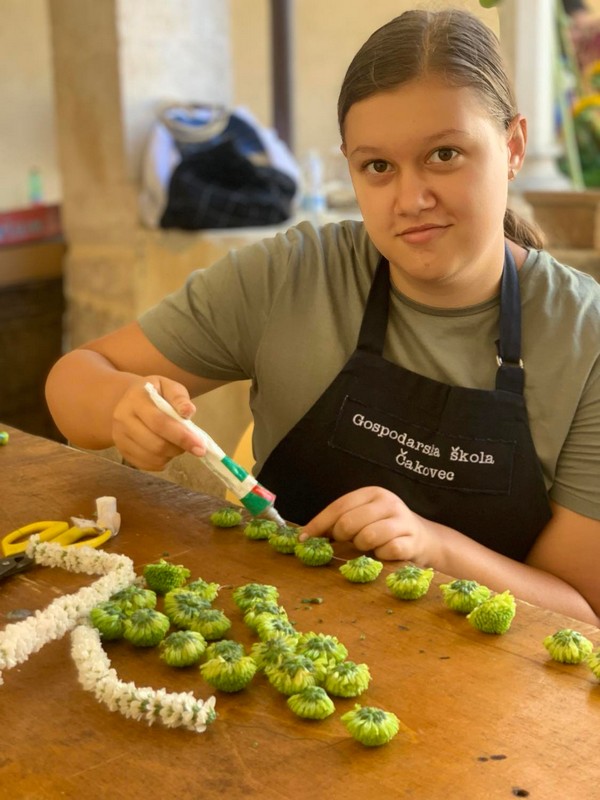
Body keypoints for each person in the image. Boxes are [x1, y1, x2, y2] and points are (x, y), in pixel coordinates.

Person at [45, 9, 600, 626]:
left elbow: (582, 610)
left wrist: (434, 547)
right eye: (377, 167)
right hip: (278, 649)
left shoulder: (585, 339)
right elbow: (72, 379)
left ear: (514, 146)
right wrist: (124, 405)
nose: (411, 200)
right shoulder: (294, 275)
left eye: (445, 155)